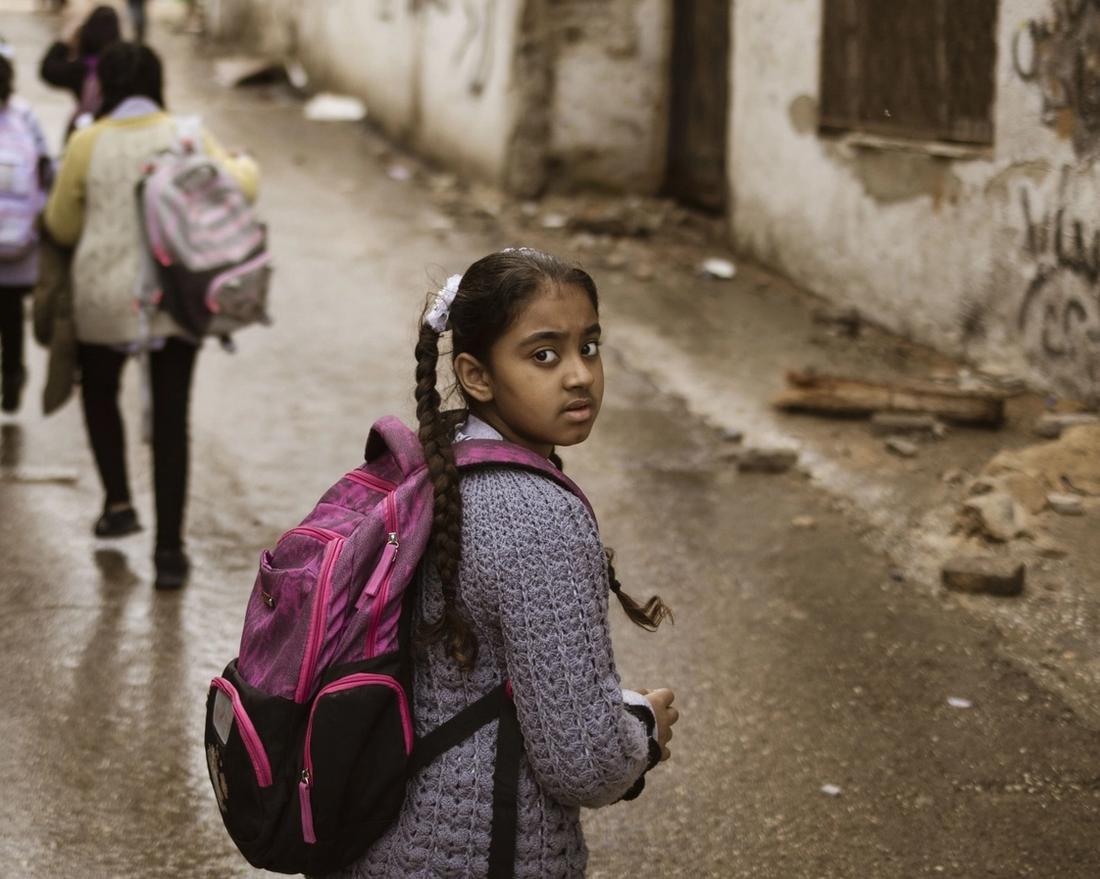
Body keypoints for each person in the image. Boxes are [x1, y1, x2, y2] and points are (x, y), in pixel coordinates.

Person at [331, 247, 679, 878]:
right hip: (476, 852)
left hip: (380, 840)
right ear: (477, 374)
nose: (579, 376)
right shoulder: (537, 516)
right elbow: (584, 762)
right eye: (544, 355)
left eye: (589, 347)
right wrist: (644, 728)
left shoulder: (442, 464)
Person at [44, 42, 259, 588]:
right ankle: (170, 553)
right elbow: (238, 187)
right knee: (171, 420)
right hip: (174, 297)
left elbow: (62, 225)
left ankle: (118, 502)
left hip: (103, 297)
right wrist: (243, 162)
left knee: (98, 391)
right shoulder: (187, 133)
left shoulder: (86, 141)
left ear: (107, 87)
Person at [0, 42, 52, 413]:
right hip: (18, 246)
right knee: (11, 315)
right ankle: (13, 375)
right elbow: (47, 169)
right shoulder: (24, 115)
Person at [39, 4, 121, 138]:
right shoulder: (124, 67)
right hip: (117, 131)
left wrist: (64, 41)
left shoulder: (80, 68)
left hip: (82, 133)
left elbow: (47, 69)